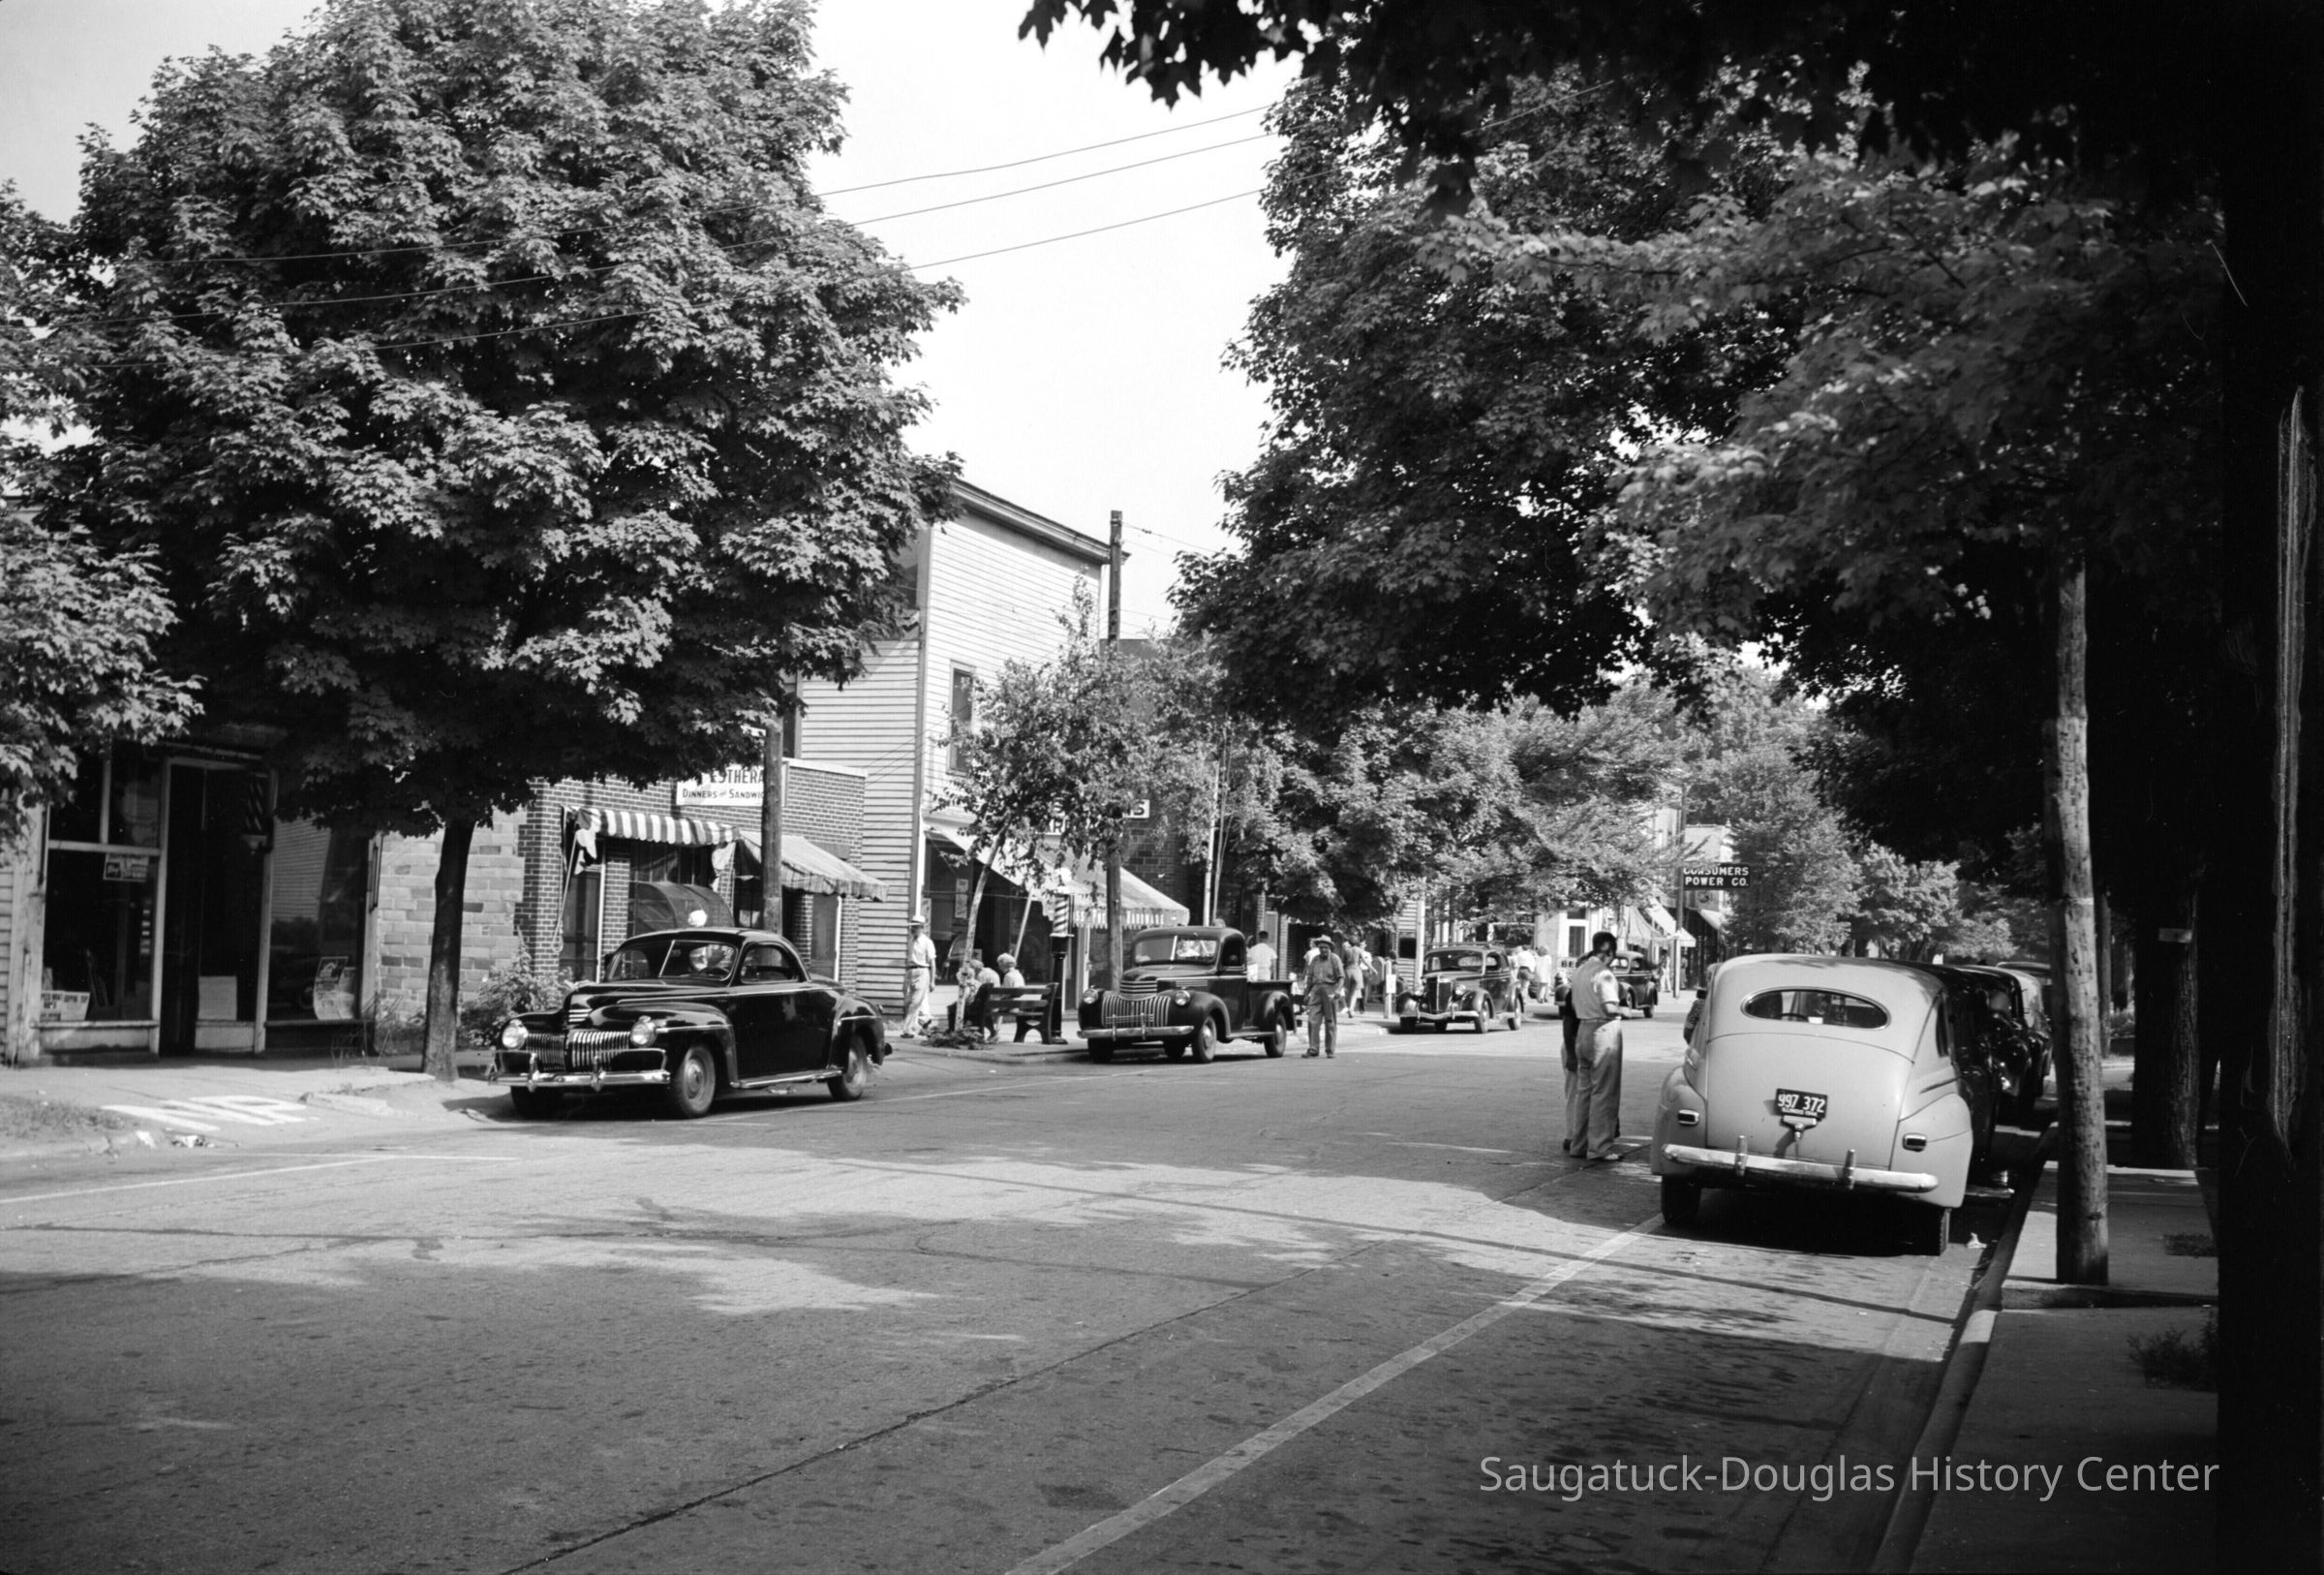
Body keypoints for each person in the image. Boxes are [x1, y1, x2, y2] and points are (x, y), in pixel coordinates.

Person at [1564, 931, 1630, 1160]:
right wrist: (1625, 1011)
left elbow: (1573, 1006)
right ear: (1610, 951)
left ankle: (1579, 1144)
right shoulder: (1604, 974)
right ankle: (1600, 1147)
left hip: (1583, 1029)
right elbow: (1610, 1008)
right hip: (1602, 1030)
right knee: (1604, 1091)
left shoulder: (1580, 971)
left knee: (1584, 1091)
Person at [1302, 930, 1344, 1058]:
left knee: (1330, 1022)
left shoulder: (1334, 959)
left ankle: (1330, 1050)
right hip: (1316, 991)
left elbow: (1341, 977)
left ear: (1330, 948)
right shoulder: (1315, 960)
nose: (1323, 950)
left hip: (1330, 991)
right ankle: (1313, 1049)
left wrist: (1338, 990)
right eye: (1321, 948)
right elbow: (1310, 978)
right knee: (1312, 1021)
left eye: (1326, 947)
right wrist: (1306, 993)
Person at [900, 915, 935, 1038]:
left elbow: (932, 962)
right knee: (908, 1001)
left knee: (915, 1002)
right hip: (910, 971)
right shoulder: (910, 941)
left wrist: (932, 981)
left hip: (922, 971)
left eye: (915, 927)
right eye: (912, 927)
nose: (912, 929)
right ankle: (925, 1021)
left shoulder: (927, 942)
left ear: (921, 928)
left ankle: (908, 1030)